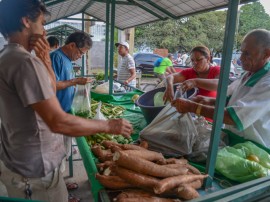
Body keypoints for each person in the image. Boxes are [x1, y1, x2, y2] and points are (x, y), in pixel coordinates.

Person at [0, 1, 132, 202]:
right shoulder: (25, 62)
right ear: (26, 21)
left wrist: (44, 57)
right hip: (35, 172)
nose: (44, 31)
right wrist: (108, 125)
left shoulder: (8, 56)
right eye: (42, 23)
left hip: (21, 162)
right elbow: (57, 121)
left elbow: (49, 89)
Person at [171, 29, 270, 148]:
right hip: (234, 140)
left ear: (266, 54)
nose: (241, 58)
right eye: (241, 52)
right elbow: (229, 100)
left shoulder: (267, 83)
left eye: (247, 53)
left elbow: (234, 117)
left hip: (254, 148)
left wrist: (193, 107)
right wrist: (207, 100)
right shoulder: (248, 74)